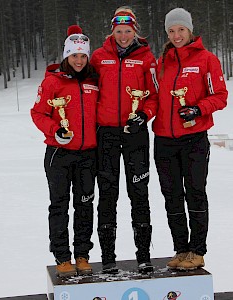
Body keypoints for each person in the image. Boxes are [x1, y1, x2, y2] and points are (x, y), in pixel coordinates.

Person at [153, 8, 228, 270]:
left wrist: (198, 108)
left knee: (195, 192)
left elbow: (220, 96)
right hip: (163, 139)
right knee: (171, 195)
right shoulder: (162, 62)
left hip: (194, 137)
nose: (176, 35)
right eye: (171, 31)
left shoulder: (206, 59)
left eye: (181, 30)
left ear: (190, 30)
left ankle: (197, 250)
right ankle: (181, 248)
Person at [90, 6, 158, 274]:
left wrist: (144, 114)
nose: (123, 36)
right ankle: (108, 258)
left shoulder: (146, 58)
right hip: (105, 133)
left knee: (139, 193)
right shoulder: (98, 57)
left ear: (135, 31)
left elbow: (154, 94)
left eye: (128, 31)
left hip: (135, 133)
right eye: (118, 31)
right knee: (107, 194)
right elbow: (85, 88)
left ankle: (143, 256)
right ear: (112, 31)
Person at [31, 25, 99, 278]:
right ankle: (61, 256)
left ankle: (82, 253)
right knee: (59, 205)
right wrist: (54, 129)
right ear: (66, 56)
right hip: (59, 153)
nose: (79, 61)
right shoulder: (52, 82)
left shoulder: (94, 80)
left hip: (87, 154)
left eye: (83, 56)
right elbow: (37, 113)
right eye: (74, 56)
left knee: (84, 205)